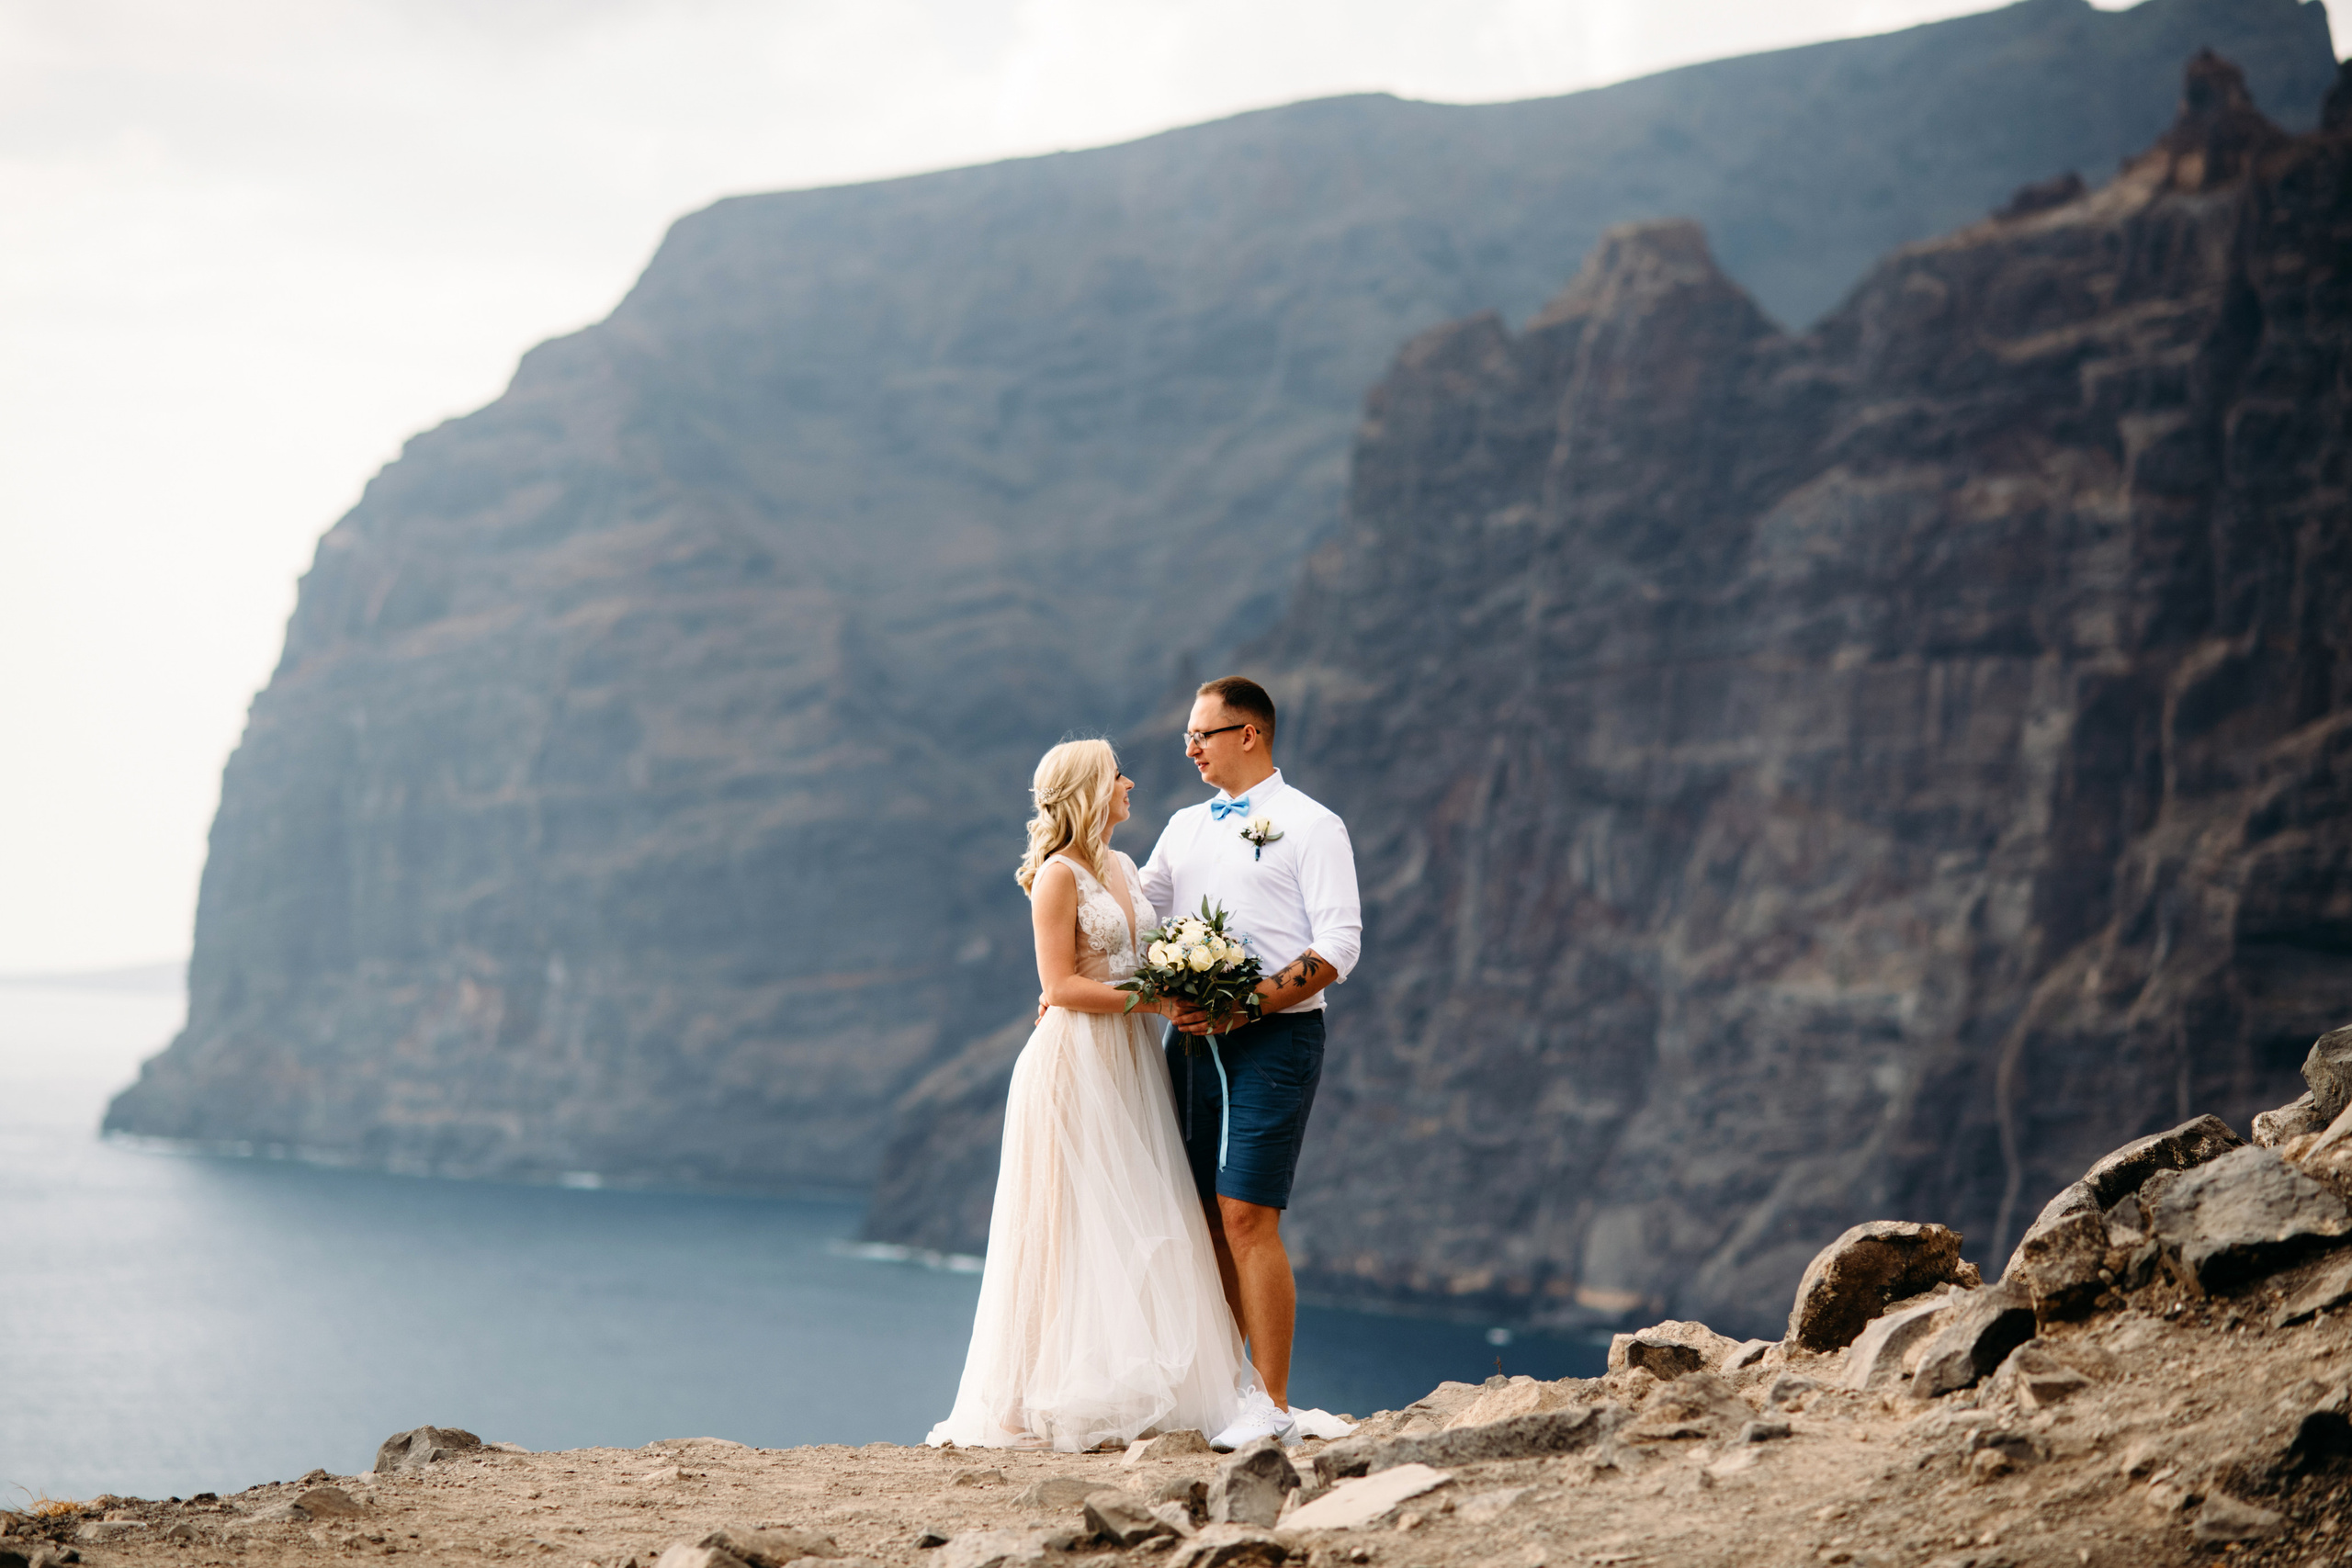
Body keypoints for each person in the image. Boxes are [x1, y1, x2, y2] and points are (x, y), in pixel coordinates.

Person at [926, 739, 1255, 1451]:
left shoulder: (1127, 866)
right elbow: (1059, 987)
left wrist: (1185, 983)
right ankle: (1021, 1398)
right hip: (1075, 1062)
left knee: (1138, 1208)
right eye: (1116, 776)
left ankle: (1131, 1378)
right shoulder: (1056, 876)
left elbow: (1141, 953)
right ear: (1088, 791)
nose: (1129, 783)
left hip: (1133, 1060)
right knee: (1061, 1219)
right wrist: (1156, 1000)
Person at [1140, 676, 1362, 1450]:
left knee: (1247, 1214)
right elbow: (1138, 914)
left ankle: (1270, 1401)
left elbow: (1338, 944)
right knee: (1201, 1215)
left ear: (1250, 734)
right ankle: (1219, 1388)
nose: (1192, 748)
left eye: (1203, 733)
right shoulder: (1182, 826)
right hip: (1194, 1038)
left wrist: (1249, 1004)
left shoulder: (1312, 824)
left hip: (1277, 1036)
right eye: (1188, 737)